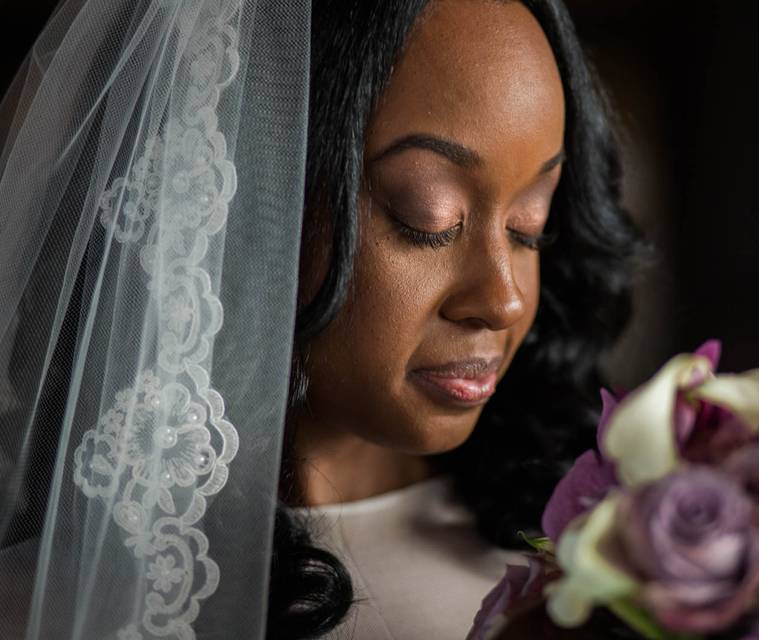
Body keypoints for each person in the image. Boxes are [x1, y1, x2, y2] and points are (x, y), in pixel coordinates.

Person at [0, 1, 644, 638]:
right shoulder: (66, 609)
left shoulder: (614, 549)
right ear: (247, 197)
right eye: (431, 219)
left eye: (530, 223)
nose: (502, 299)